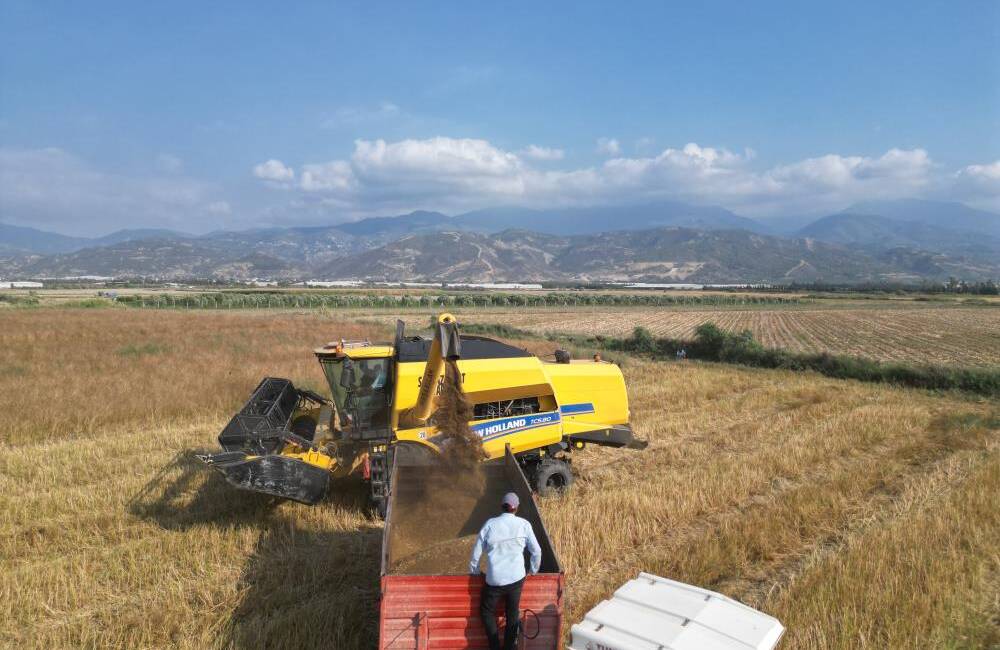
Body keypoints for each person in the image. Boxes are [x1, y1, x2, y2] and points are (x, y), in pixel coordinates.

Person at [469, 492, 542, 650]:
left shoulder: (490, 524)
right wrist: (533, 570)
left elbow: (476, 551)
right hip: (516, 579)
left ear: (501, 506)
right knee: (512, 614)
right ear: (516, 508)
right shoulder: (524, 524)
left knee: (486, 612)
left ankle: (494, 646)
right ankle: (510, 647)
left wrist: (474, 571)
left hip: (494, 580)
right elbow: (537, 551)